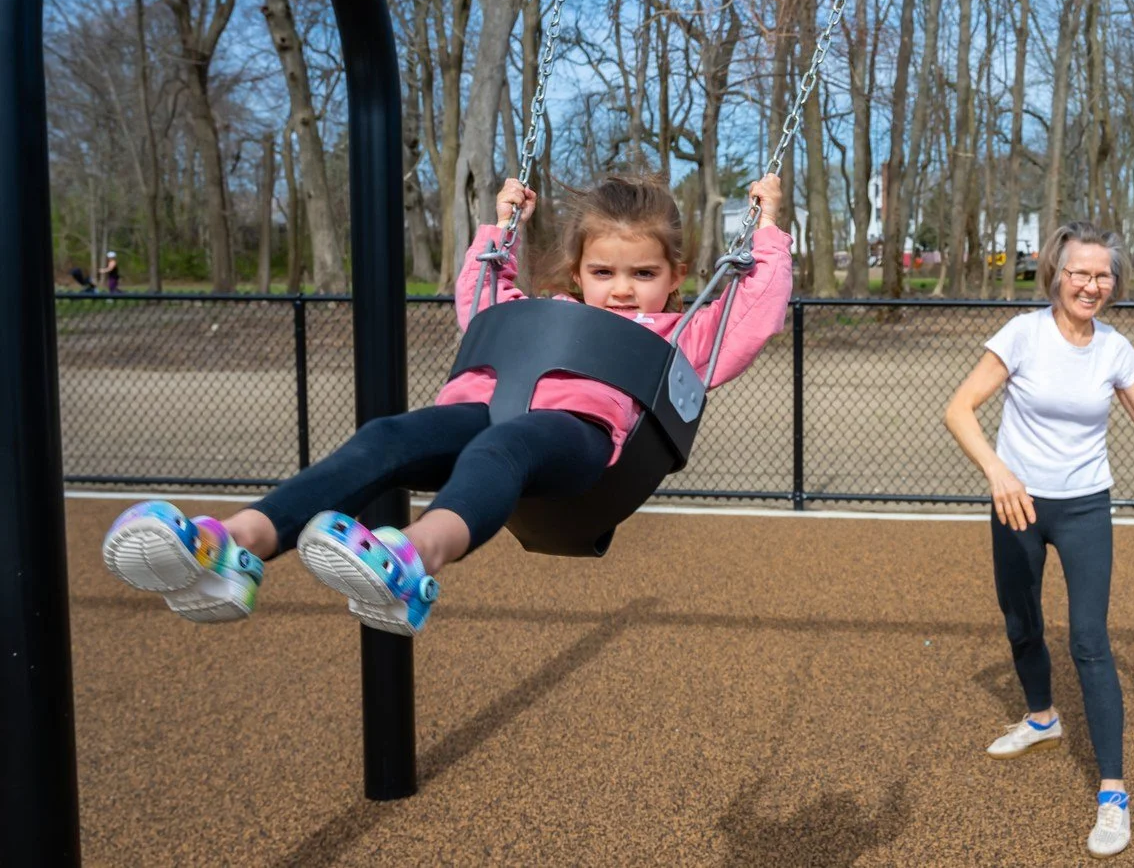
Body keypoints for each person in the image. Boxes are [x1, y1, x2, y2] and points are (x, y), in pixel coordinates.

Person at [102, 174, 792, 636]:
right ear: (576, 271)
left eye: (643, 273)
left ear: (675, 277)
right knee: (386, 437)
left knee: (502, 446)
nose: (619, 289)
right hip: (486, 406)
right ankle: (233, 547)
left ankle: (412, 563)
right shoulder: (543, 310)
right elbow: (481, 302)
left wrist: (768, 232)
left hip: (579, 439)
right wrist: (500, 230)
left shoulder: (684, 331)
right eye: (603, 271)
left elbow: (753, 316)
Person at [943, 221, 1134, 859]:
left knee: (1088, 641)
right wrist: (999, 472)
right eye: (1080, 272)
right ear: (1055, 273)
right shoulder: (1022, 335)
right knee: (1021, 622)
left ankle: (1113, 792)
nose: (1091, 284)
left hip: (1085, 507)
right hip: (1018, 502)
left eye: (1102, 274)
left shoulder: (1114, 349)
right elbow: (959, 408)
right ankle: (1041, 718)